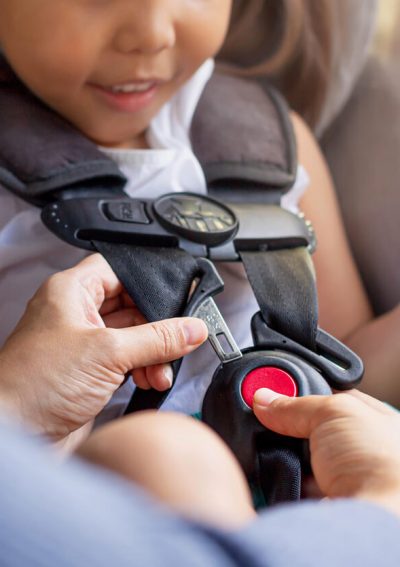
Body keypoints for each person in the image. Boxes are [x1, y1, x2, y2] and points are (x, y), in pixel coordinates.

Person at [0, 0, 399, 452]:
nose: (152, 35)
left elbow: (345, 360)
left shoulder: (271, 147)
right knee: (167, 455)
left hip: (299, 479)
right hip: (92, 497)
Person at [0, 255, 399, 566]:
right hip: (145, 477)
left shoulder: (272, 154)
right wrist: (388, 495)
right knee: (155, 453)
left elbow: (347, 349)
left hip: (343, 431)